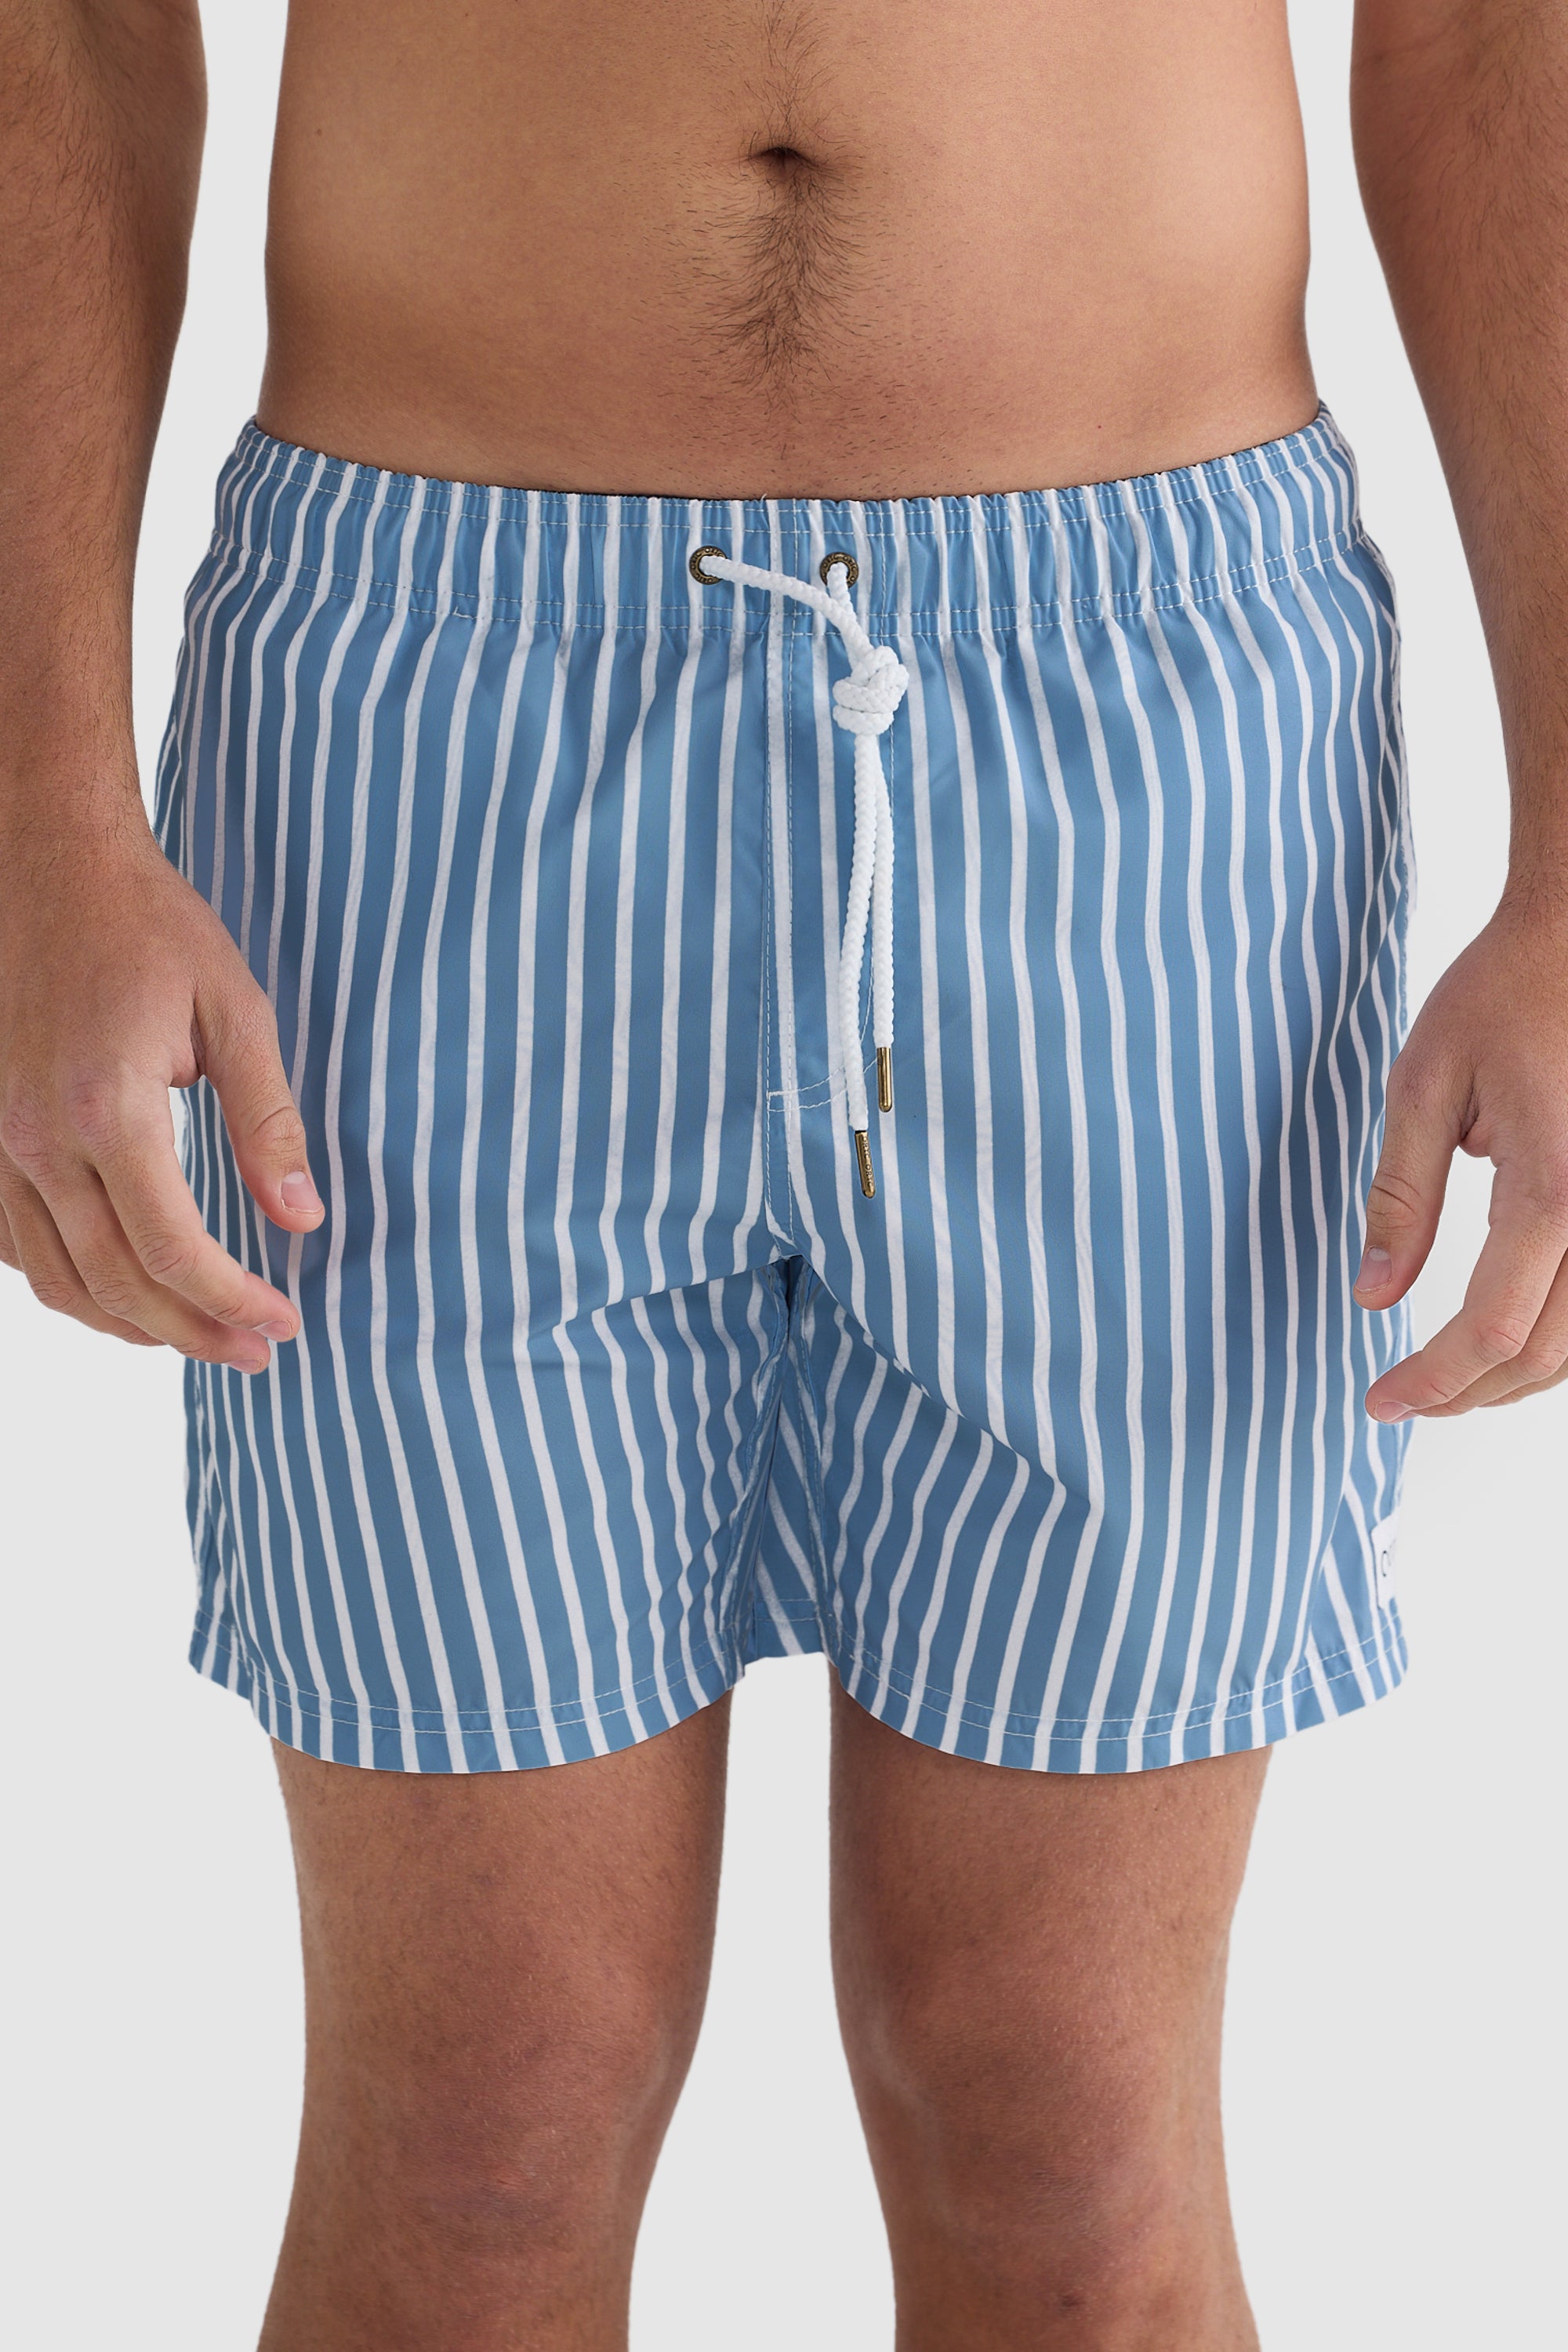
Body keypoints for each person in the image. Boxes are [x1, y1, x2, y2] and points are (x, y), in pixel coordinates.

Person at [2, 0, 1566, 2343]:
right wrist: (39, 817)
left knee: (1060, 2129)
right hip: (431, 722)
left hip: (1141, 726)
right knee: (478, 2140)